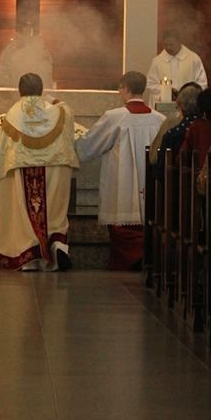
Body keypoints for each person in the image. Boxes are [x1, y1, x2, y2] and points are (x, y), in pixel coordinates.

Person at [0, 72, 77, 271]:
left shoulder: (13, 113)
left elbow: (1, 152)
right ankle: (56, 243)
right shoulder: (59, 112)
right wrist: (53, 100)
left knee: (22, 209)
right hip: (55, 165)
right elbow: (68, 112)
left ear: (19, 90)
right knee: (51, 208)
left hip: (20, 167)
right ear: (42, 90)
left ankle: (29, 253)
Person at [76, 71, 163, 271]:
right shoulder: (160, 119)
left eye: (120, 88)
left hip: (123, 183)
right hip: (150, 185)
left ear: (125, 89)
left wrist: (71, 148)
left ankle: (127, 261)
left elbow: (90, 145)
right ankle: (148, 258)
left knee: (122, 214)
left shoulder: (114, 117)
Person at [145, 31, 207, 107]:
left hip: (187, 105)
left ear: (179, 42)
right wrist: (167, 92)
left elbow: (202, 83)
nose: (168, 47)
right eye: (165, 45)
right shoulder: (157, 61)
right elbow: (151, 83)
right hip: (165, 105)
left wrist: (187, 94)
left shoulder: (193, 59)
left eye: (171, 44)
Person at [149, 82, 202, 164]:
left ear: (180, 105)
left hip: (173, 173)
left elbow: (154, 157)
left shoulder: (170, 124)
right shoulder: (208, 127)